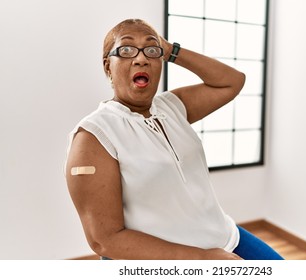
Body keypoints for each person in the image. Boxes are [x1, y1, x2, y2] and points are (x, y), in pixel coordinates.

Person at [65, 19, 283, 260]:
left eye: (151, 50)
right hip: (164, 259)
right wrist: (202, 258)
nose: (141, 59)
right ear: (108, 66)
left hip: (225, 238)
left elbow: (232, 81)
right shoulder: (94, 136)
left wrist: (171, 50)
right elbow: (105, 240)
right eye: (126, 50)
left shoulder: (171, 107)